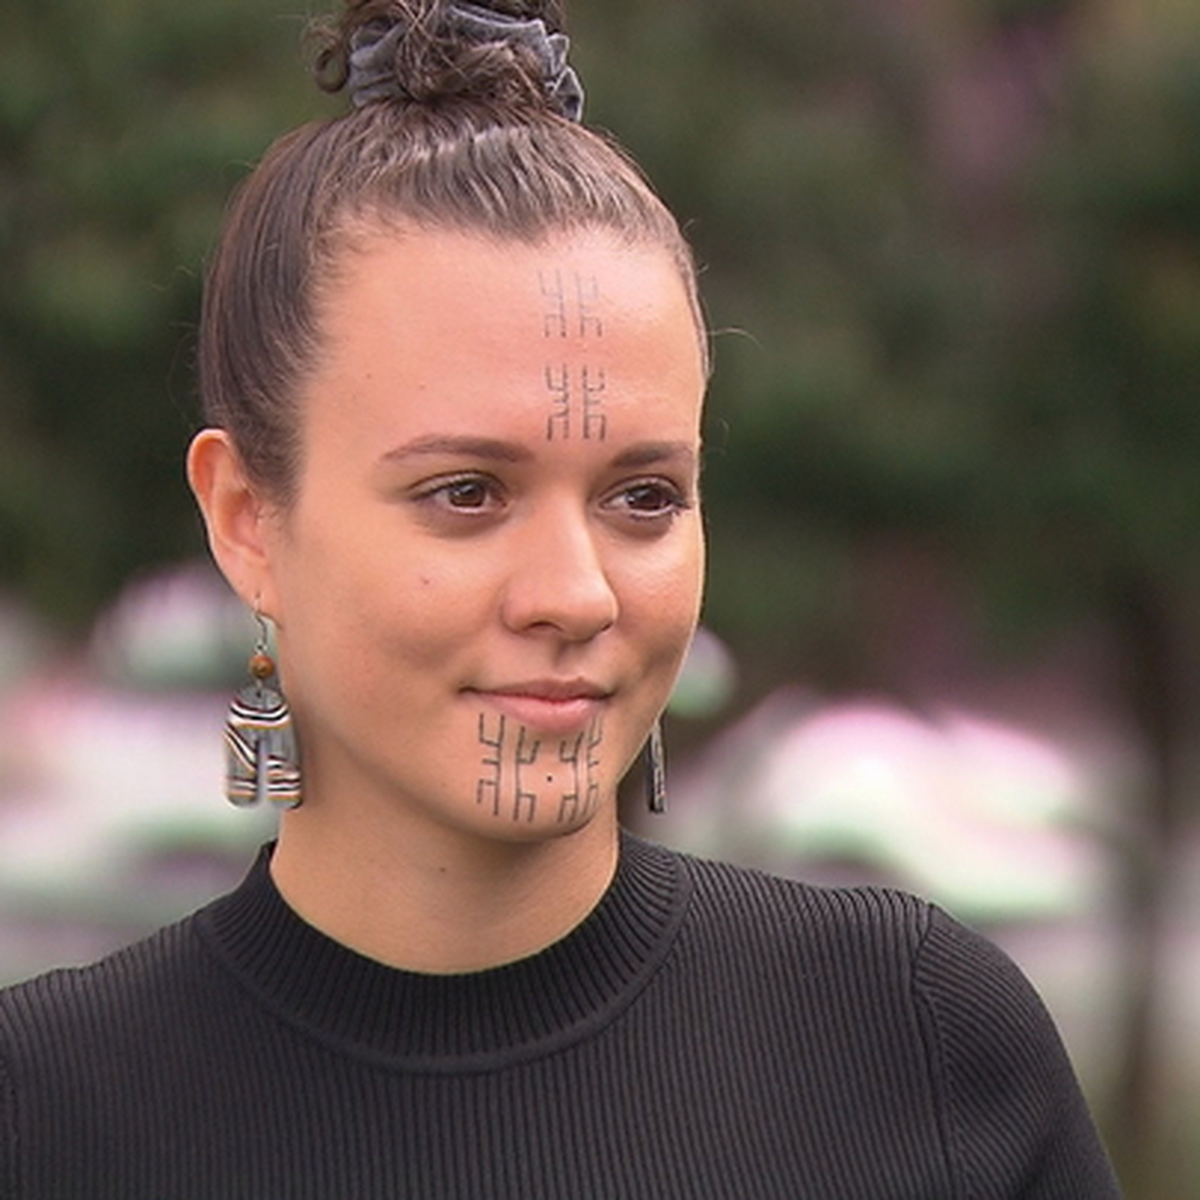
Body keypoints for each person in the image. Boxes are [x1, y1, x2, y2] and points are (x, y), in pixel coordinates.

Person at [0, 2, 1123, 1196]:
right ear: (246, 519)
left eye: (643, 497)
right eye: (466, 493)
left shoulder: (916, 1047)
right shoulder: (46, 1119)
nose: (576, 595)